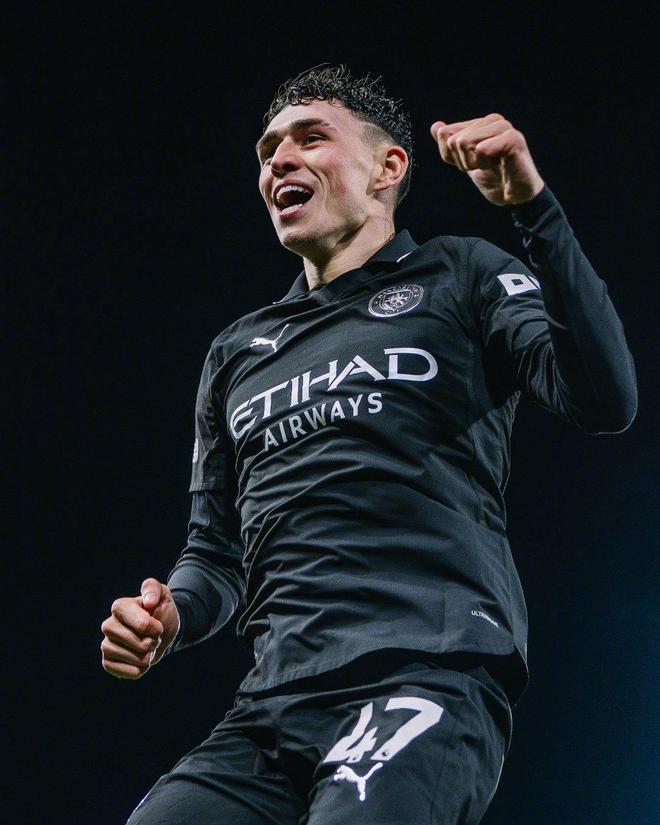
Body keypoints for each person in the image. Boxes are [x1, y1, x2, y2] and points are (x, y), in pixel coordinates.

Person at [101, 64, 637, 824]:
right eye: (268, 151)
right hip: (269, 707)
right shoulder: (236, 352)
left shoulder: (461, 274)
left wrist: (533, 208)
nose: (279, 161)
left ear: (388, 168)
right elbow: (216, 553)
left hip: (424, 673)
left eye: (310, 138)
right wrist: (171, 617)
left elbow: (604, 399)